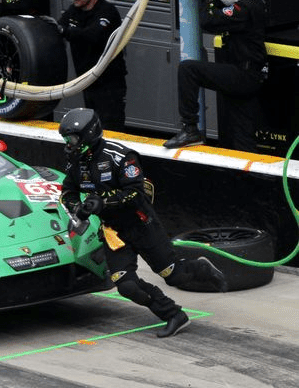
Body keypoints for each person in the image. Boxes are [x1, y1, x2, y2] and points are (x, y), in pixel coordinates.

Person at [58, 108, 227, 338]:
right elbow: (67, 192)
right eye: (66, 139)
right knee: (126, 286)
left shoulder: (121, 156)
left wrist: (104, 202)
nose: (69, 144)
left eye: (73, 139)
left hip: (141, 223)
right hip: (113, 232)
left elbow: (137, 193)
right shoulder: (76, 163)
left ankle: (201, 267)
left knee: (172, 275)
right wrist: (77, 208)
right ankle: (173, 314)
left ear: (89, 134)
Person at [164, 0, 267, 152]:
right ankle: (250, 177)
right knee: (242, 134)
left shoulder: (244, 9)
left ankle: (190, 128)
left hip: (242, 74)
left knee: (188, 70)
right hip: (248, 73)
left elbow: (206, 19)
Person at [57, 0, 128, 131]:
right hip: (86, 80)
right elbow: (58, 27)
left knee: (110, 128)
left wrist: (66, 31)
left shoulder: (108, 11)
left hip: (109, 82)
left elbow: (92, 36)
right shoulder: (74, 10)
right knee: (92, 126)